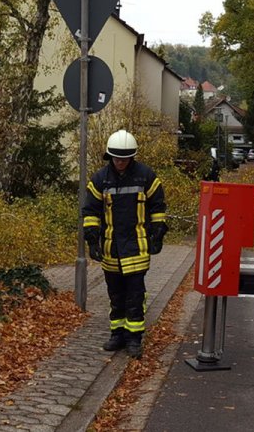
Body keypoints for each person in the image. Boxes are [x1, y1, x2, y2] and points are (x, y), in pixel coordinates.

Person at [83, 129, 167, 359]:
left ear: (132, 157)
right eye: (117, 158)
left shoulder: (146, 177)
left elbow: (158, 207)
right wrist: (92, 239)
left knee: (135, 296)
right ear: (109, 156)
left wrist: (158, 233)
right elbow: (90, 211)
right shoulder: (100, 180)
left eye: (125, 158)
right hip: (111, 249)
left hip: (137, 248)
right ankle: (117, 334)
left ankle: (134, 339)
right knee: (116, 296)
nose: (121, 162)